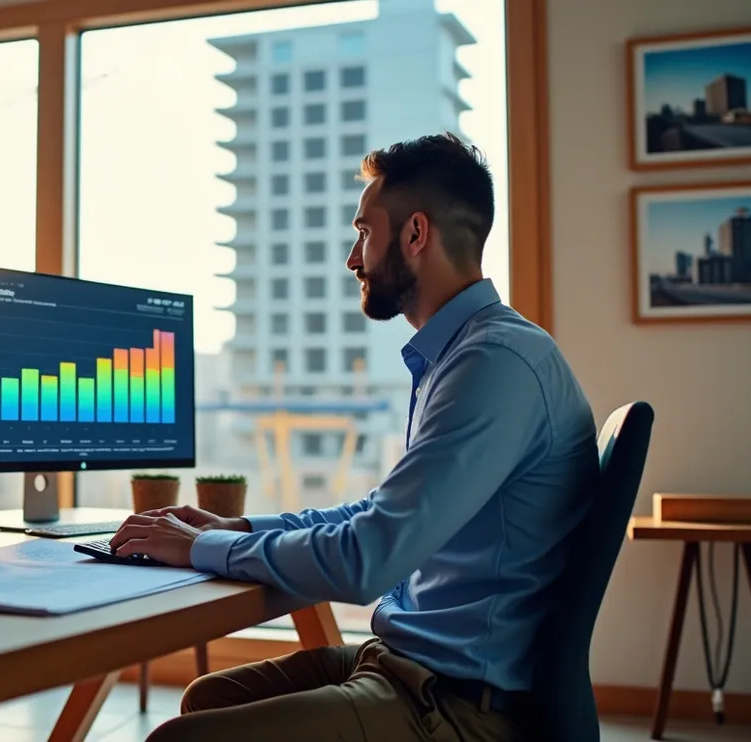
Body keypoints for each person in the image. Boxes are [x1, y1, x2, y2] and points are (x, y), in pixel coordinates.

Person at [109, 132, 599, 742]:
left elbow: (370, 557)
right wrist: (235, 530)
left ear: (415, 235)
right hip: (416, 662)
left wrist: (200, 550)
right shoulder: (466, 354)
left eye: (365, 232)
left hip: (459, 704)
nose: (352, 257)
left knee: (177, 739)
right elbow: (379, 511)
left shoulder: (492, 363)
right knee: (210, 696)